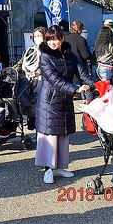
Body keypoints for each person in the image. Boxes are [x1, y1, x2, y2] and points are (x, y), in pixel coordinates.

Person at [35, 26, 93, 184]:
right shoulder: (45, 57)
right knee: (50, 136)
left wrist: (97, 85)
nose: (53, 42)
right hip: (49, 102)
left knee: (63, 135)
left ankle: (60, 167)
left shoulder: (70, 55)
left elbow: (82, 74)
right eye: (50, 39)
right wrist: (76, 89)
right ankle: (48, 169)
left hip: (65, 100)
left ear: (62, 39)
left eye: (56, 38)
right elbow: (54, 79)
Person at [21, 26, 48, 131]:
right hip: (32, 82)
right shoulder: (31, 50)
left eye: (39, 35)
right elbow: (23, 65)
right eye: (35, 36)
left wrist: (38, 73)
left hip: (43, 82)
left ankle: (41, 132)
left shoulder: (47, 50)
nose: (37, 38)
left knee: (41, 107)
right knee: (33, 106)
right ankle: (37, 129)